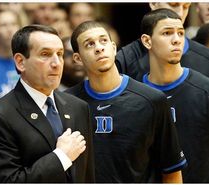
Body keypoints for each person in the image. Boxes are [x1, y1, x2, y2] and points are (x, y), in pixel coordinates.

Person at [66, 21, 187, 183]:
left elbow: (172, 170)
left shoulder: (152, 100)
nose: (99, 48)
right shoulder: (67, 103)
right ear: (78, 58)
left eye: (103, 41)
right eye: (89, 44)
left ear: (114, 48)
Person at [0, 24, 94, 183]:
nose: (57, 63)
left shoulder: (78, 107)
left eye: (60, 54)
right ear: (20, 62)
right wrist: (61, 157)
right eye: (45, 54)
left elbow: (88, 176)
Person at [140, 8, 209, 183]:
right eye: (167, 33)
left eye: (180, 33)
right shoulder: (135, 95)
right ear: (147, 41)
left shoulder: (206, 90)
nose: (176, 40)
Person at [116, 2, 209, 81]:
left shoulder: (207, 58)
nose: (180, 14)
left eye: (186, 6)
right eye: (173, 4)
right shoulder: (125, 59)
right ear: (153, 3)